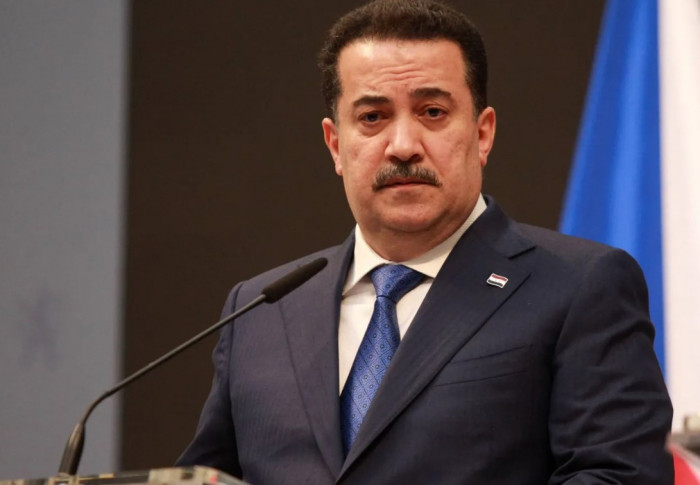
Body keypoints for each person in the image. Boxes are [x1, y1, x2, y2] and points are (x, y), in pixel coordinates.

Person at [178, 1, 673, 483]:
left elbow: (619, 475)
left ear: (482, 134)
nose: (403, 146)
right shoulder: (260, 310)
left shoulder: (578, 286)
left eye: (432, 112)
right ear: (336, 144)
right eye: (372, 117)